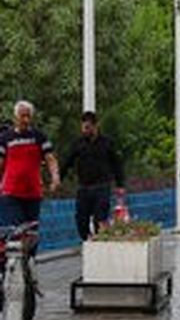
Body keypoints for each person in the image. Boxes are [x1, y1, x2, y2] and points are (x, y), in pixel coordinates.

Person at [61, 110, 125, 241]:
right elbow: (67, 162)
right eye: (83, 127)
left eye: (88, 127)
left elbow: (117, 164)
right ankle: (86, 240)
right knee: (80, 219)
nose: (85, 130)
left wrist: (120, 185)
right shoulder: (78, 144)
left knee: (100, 219)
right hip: (83, 187)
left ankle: (99, 243)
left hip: (102, 186)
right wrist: (58, 179)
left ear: (96, 126)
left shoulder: (107, 143)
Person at [0, 100, 60, 229]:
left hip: (33, 193)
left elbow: (50, 159)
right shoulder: (5, 138)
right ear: (16, 117)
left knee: (32, 233)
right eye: (23, 116)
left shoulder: (39, 136)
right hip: (11, 193)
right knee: (15, 231)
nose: (26, 120)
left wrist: (55, 177)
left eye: (28, 116)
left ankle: (30, 250)